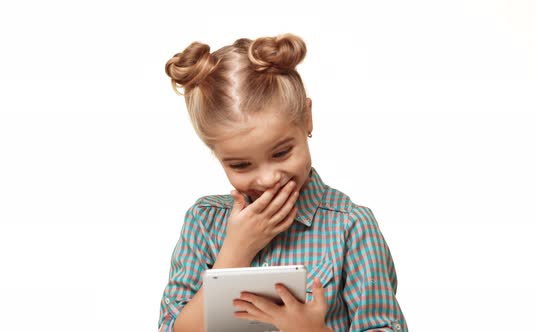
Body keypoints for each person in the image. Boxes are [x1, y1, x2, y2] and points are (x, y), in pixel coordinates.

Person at [158, 33, 407, 332]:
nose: (267, 178)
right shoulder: (203, 223)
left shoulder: (351, 227)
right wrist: (235, 252)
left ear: (307, 118)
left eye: (281, 152)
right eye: (240, 164)